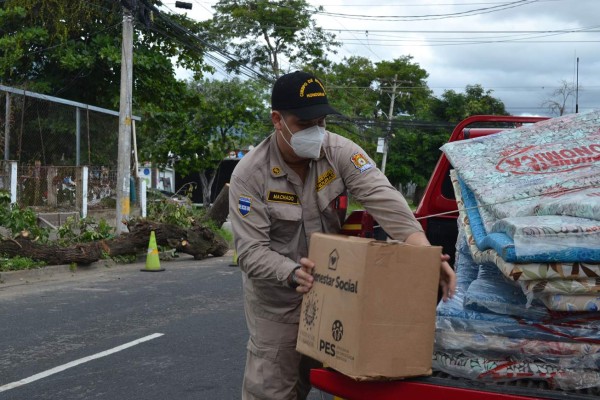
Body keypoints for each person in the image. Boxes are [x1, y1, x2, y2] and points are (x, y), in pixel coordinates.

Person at [228, 71, 457, 400]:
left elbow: (384, 198)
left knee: (348, 385)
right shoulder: (251, 175)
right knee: (272, 392)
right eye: (305, 123)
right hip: (278, 308)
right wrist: (291, 272)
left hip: (334, 297)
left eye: (321, 121)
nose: (315, 131)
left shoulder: (339, 152)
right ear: (277, 119)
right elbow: (251, 252)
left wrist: (425, 254)